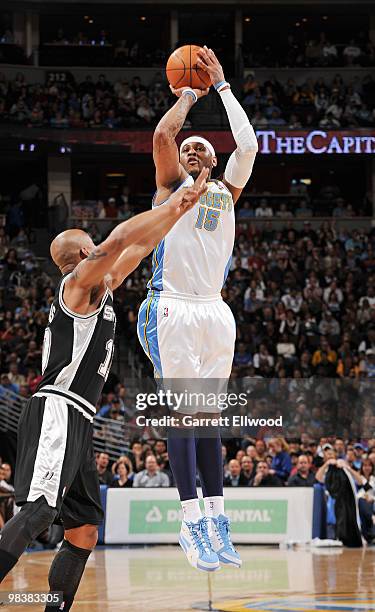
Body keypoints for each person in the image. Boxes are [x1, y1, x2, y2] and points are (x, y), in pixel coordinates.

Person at [0, 171, 209, 609]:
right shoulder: (77, 285)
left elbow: (137, 247)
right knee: (38, 512)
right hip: (57, 409)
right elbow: (116, 242)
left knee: (83, 531)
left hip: (80, 417)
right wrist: (173, 204)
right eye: (91, 244)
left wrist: (180, 211)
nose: (99, 247)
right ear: (82, 253)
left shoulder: (102, 288)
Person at [137, 46, 257, 572]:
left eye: (200, 149)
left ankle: (216, 517)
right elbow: (164, 136)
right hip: (172, 308)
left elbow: (248, 143)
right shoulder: (171, 188)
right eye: (187, 150)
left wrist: (225, 89)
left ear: (214, 159)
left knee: (210, 419)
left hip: (215, 312)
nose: (190, 151)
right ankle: (189, 520)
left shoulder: (228, 193)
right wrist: (189, 96)